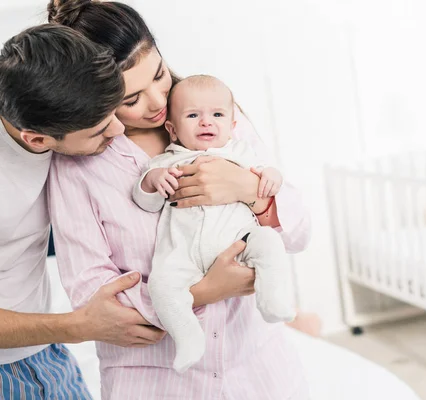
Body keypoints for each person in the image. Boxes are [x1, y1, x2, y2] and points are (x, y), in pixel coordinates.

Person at [47, 1, 312, 398]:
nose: (156, 101)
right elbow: (93, 296)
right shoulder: (78, 167)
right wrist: (204, 292)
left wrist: (245, 190)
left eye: (158, 75)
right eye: (131, 99)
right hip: (156, 382)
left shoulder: (214, 116)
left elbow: (299, 233)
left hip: (258, 373)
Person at [0, 24, 165, 399]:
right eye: (100, 131)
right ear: (38, 140)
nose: (119, 131)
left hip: (47, 347)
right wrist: (79, 327)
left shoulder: (56, 104)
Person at [133, 75, 296, 373]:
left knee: (270, 243)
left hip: (240, 240)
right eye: (193, 115)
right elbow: (145, 200)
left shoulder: (239, 153)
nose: (206, 123)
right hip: (183, 253)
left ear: (233, 126)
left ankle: (273, 299)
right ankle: (188, 337)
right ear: (172, 129)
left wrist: (273, 176)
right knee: (161, 286)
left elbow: (265, 175)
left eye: (217, 115)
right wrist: (154, 181)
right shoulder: (167, 161)